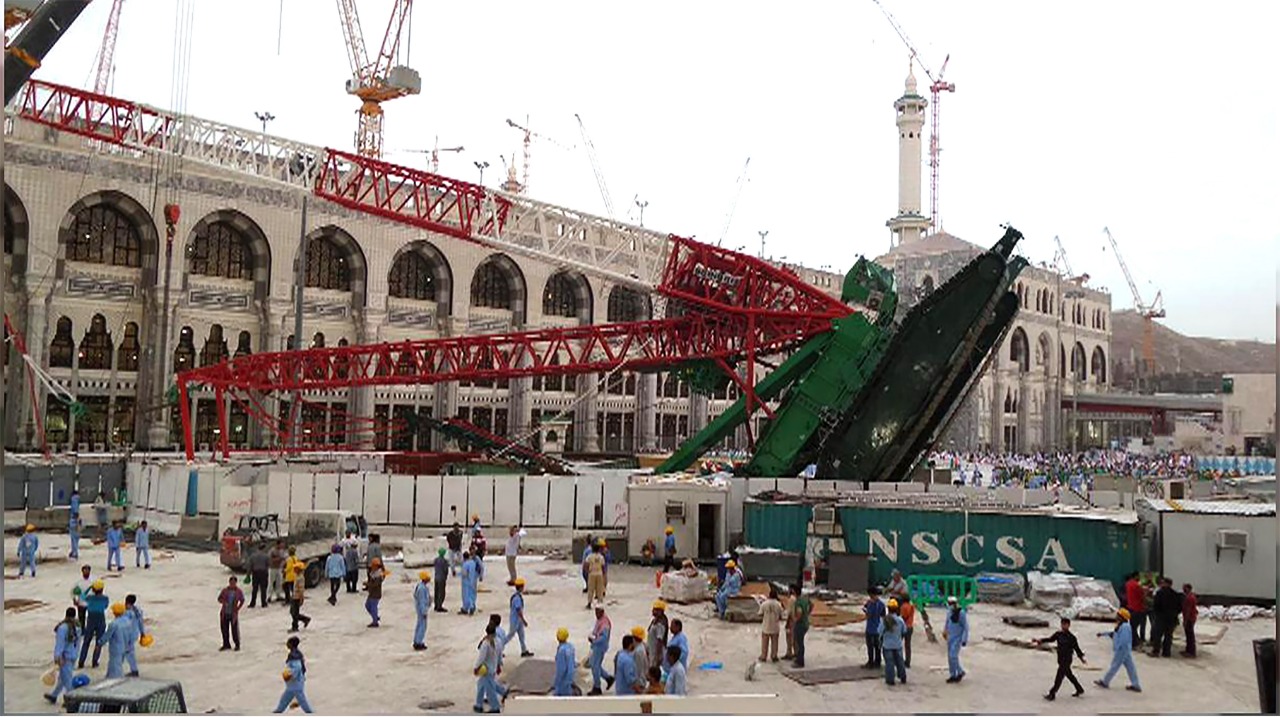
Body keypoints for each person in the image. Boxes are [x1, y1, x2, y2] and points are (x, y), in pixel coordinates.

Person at [1035, 617, 1086, 700]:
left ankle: (1052, 694)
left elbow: (1077, 649)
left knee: (1059, 678)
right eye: (1062, 624)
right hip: (1060, 659)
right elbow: (1050, 639)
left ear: (1069, 625)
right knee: (1069, 675)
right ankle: (1079, 689)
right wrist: (1041, 640)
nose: (1063, 626)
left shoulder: (1072, 638)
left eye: (1065, 624)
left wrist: (1081, 658)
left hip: (1067, 660)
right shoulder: (1058, 634)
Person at [1095, 608, 1142, 693]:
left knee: (1115, 665)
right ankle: (1136, 684)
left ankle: (1105, 681)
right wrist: (1102, 634)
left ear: (1122, 617)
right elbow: (1113, 633)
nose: (1116, 616)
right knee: (1130, 667)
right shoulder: (1121, 625)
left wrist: (1119, 648)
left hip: (1122, 650)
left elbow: (1124, 640)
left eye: (1118, 615)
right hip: (1125, 650)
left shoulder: (1125, 627)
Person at [44, 608, 81, 704]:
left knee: (67, 679)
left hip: (65, 657)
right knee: (62, 678)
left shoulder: (63, 628)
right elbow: (78, 642)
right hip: (73, 655)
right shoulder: (77, 627)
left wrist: (58, 657)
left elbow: (60, 644)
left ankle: (71, 699)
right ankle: (54, 695)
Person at [273, 636, 313, 714]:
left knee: (304, 705)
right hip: (292, 685)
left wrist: (290, 675)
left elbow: (297, 667)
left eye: (288, 642)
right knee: (283, 701)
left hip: (295, 684)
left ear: (291, 644)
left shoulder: (294, 655)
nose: (286, 644)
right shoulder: (297, 653)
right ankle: (277, 712)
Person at [78, 579, 109, 668]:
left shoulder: (90, 598)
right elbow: (106, 606)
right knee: (99, 642)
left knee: (86, 642)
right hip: (100, 619)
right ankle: (95, 661)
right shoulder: (105, 598)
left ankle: (81, 661)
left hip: (91, 620)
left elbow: (82, 597)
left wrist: (89, 588)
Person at [474, 625, 504, 714]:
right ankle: (478, 705)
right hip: (493, 667)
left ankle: (495, 707)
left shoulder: (486, 643)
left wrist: (476, 667)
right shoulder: (498, 641)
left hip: (486, 669)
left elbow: (481, 657)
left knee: (489, 689)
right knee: (481, 685)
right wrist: (499, 665)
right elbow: (500, 655)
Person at [1149, 577, 1181, 658]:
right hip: (1171, 618)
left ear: (1165, 583)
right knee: (1168, 635)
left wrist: (1157, 614)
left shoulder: (1160, 593)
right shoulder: (1175, 594)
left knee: (1158, 635)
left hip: (1161, 617)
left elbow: (1155, 605)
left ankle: (1156, 651)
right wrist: (1175, 614)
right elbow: (1180, 607)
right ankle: (1166, 652)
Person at [879, 599, 908, 686]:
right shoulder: (900, 620)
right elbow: (904, 631)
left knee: (889, 663)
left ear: (888, 608)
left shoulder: (884, 620)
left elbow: (879, 632)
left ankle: (890, 680)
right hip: (898, 644)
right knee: (900, 662)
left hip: (887, 645)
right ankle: (903, 677)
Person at [588, 604, 615, 695]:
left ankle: (597, 687)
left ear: (602, 612)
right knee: (594, 664)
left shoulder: (605, 623)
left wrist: (594, 640)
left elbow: (604, 637)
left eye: (598, 612)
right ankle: (608, 678)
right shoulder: (600, 620)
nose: (596, 614)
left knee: (595, 666)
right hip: (596, 646)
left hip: (600, 647)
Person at [943, 595, 969, 683]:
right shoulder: (949, 612)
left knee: (953, 656)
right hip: (950, 637)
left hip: (957, 638)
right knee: (950, 657)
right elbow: (947, 622)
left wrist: (964, 639)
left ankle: (960, 671)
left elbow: (965, 627)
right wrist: (945, 631)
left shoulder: (961, 613)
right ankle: (953, 674)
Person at [504, 578, 533, 657]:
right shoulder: (517, 598)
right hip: (515, 620)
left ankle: (524, 650)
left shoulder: (516, 596)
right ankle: (499, 648)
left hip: (517, 620)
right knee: (510, 635)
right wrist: (524, 620)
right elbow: (518, 610)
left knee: (521, 636)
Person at [102, 602, 130, 678]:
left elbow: (107, 636)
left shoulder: (114, 624)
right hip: (125, 646)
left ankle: (116, 679)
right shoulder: (127, 621)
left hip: (116, 648)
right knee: (116, 664)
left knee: (115, 666)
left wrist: (100, 642)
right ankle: (109, 676)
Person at [218, 575, 245, 651]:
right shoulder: (225, 590)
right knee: (224, 630)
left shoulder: (238, 591)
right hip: (225, 613)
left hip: (233, 614)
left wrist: (238, 608)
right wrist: (224, 602)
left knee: (234, 630)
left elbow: (242, 600)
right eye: (231, 582)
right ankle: (226, 644)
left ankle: (237, 644)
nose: (232, 584)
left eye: (234, 582)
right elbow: (219, 598)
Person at [862, 586, 886, 668]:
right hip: (878, 628)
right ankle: (878, 662)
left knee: (870, 646)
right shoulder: (881, 604)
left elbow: (868, 614)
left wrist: (866, 612)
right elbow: (883, 615)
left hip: (870, 628)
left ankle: (871, 662)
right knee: (877, 647)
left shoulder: (870, 603)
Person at [759, 586, 784, 662]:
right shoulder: (778, 604)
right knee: (775, 642)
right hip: (775, 626)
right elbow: (781, 615)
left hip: (766, 626)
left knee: (764, 643)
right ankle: (774, 655)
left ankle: (764, 656)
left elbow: (760, 614)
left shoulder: (764, 604)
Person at [1123, 572, 1148, 646]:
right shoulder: (1137, 585)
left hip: (1130, 607)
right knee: (1136, 626)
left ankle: (1133, 641)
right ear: (1136, 576)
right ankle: (1135, 642)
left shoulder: (1128, 584)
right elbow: (1142, 597)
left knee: (1132, 626)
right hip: (1138, 608)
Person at [122, 594, 143, 676]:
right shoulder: (138, 610)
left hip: (128, 635)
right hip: (134, 634)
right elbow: (141, 623)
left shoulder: (127, 613)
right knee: (129, 652)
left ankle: (134, 670)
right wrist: (142, 633)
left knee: (126, 652)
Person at [553, 627, 577, 696]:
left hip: (564, 681)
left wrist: (556, 682)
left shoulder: (561, 651)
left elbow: (561, 669)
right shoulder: (571, 646)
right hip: (570, 678)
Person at [647, 601, 669, 671]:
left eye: (656, 610)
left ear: (660, 611)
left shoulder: (660, 624)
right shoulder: (655, 620)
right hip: (651, 649)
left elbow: (660, 640)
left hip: (655, 651)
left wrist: (657, 657)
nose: (653, 611)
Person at [364, 557, 386, 628]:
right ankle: (375, 617)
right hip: (372, 593)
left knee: (373, 607)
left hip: (375, 594)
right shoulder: (374, 573)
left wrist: (367, 584)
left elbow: (375, 585)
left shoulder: (378, 575)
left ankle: (375, 622)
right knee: (367, 605)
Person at [412, 571, 431, 650]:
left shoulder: (420, 586)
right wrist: (424, 611)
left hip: (419, 608)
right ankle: (419, 642)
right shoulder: (422, 589)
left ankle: (416, 641)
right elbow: (422, 601)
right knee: (422, 626)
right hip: (422, 609)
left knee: (419, 625)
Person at [584, 542, 606, 609]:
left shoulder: (590, 556)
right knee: (599, 589)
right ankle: (600, 602)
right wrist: (603, 573)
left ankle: (589, 603)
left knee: (591, 589)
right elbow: (603, 566)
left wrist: (588, 571)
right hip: (599, 574)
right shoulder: (601, 557)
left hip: (592, 573)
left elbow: (586, 564)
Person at [1181, 583, 1198, 658]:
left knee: (1190, 635)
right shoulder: (1191, 596)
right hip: (1191, 618)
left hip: (1189, 619)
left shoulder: (1189, 598)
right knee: (1188, 635)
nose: (1183, 590)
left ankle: (1191, 652)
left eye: (1184, 588)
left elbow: (1188, 610)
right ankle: (1188, 650)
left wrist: (1185, 621)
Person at [899, 594, 916, 668]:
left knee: (898, 644)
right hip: (910, 626)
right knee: (907, 645)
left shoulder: (903, 607)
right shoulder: (911, 606)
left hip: (904, 626)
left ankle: (899, 660)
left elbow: (903, 617)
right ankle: (908, 661)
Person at [460, 550, 479, 615]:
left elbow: (464, 573)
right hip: (473, 580)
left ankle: (466, 608)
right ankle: (472, 606)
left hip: (466, 581)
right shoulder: (473, 562)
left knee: (466, 595)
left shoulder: (465, 564)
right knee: (472, 594)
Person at [432, 548, 450, 612]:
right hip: (442, 578)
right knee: (441, 592)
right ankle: (439, 606)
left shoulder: (436, 560)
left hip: (436, 577)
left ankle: (436, 605)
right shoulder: (445, 561)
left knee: (436, 592)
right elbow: (446, 570)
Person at [68, 490, 81, 560]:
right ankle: (74, 551)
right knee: (76, 538)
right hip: (77, 521)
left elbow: (75, 511)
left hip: (74, 521)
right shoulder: (77, 500)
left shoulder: (74, 500)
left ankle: (75, 553)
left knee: (73, 538)